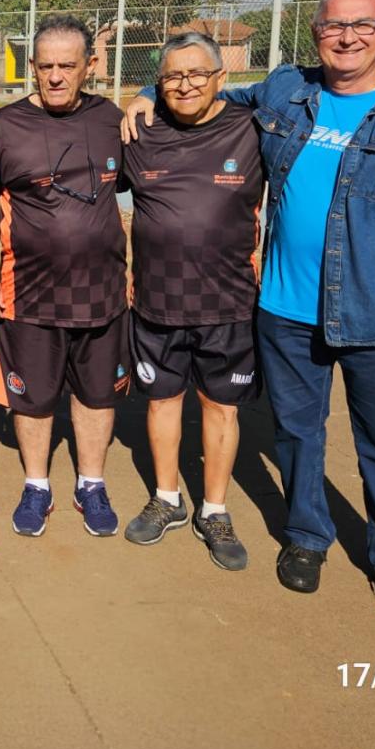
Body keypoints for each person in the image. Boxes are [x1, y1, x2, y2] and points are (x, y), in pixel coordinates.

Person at [126, 0, 375, 623]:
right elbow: (206, 91)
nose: (346, 37)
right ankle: (306, 537)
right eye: (332, 27)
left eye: (361, 26)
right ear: (316, 32)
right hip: (286, 309)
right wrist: (145, 92)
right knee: (296, 433)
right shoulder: (287, 93)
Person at [118, 33, 264, 571]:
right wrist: (140, 95)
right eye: (172, 76)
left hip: (228, 305)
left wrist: (143, 89)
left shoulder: (252, 128)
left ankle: (215, 509)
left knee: (220, 408)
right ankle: (167, 499)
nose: (185, 85)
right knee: (161, 403)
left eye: (197, 74)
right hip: (157, 303)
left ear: (220, 78)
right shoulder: (141, 130)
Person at [0, 15, 127, 539]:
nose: (57, 76)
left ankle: (91, 483)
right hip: (30, 295)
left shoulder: (113, 119)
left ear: (90, 65)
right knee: (35, 398)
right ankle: (37, 485)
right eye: (46, 66)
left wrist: (148, 95)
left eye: (68, 65)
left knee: (96, 396)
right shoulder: (3, 127)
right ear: (33, 69)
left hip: (103, 294)